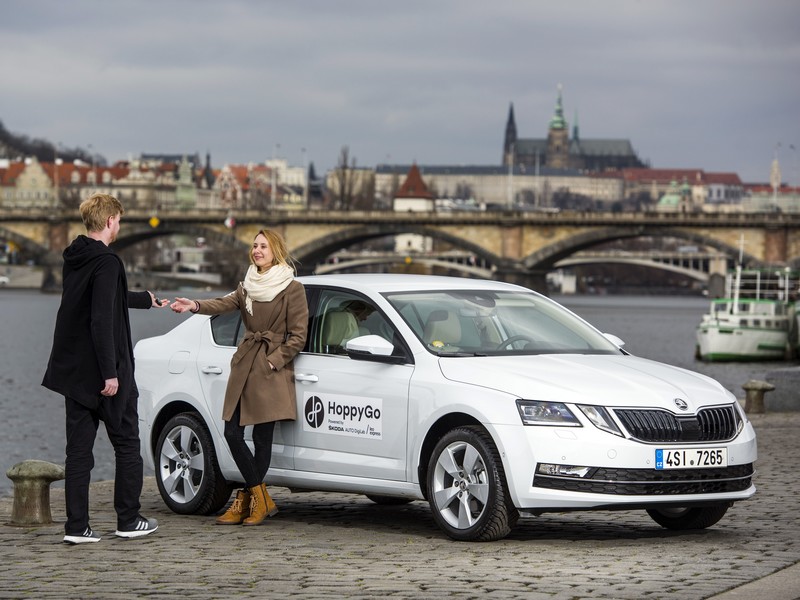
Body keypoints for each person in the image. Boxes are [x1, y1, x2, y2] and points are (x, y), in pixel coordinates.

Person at [42, 192, 168, 545]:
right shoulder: (109, 261)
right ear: (111, 220)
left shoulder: (77, 257)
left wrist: (144, 299)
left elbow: (102, 298)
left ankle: (76, 527)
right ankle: (128, 519)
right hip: (106, 372)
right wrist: (110, 372)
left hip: (75, 372)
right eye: (119, 220)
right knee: (127, 444)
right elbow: (100, 319)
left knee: (78, 451)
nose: (119, 226)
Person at [170, 229, 308, 526]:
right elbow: (223, 304)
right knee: (232, 432)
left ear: (276, 251)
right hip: (245, 364)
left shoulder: (291, 288)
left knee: (261, 437)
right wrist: (194, 306)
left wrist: (273, 363)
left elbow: (298, 337)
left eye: (263, 246)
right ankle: (260, 497)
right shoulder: (247, 285)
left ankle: (248, 501)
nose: (257, 250)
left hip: (269, 369)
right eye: (254, 245)